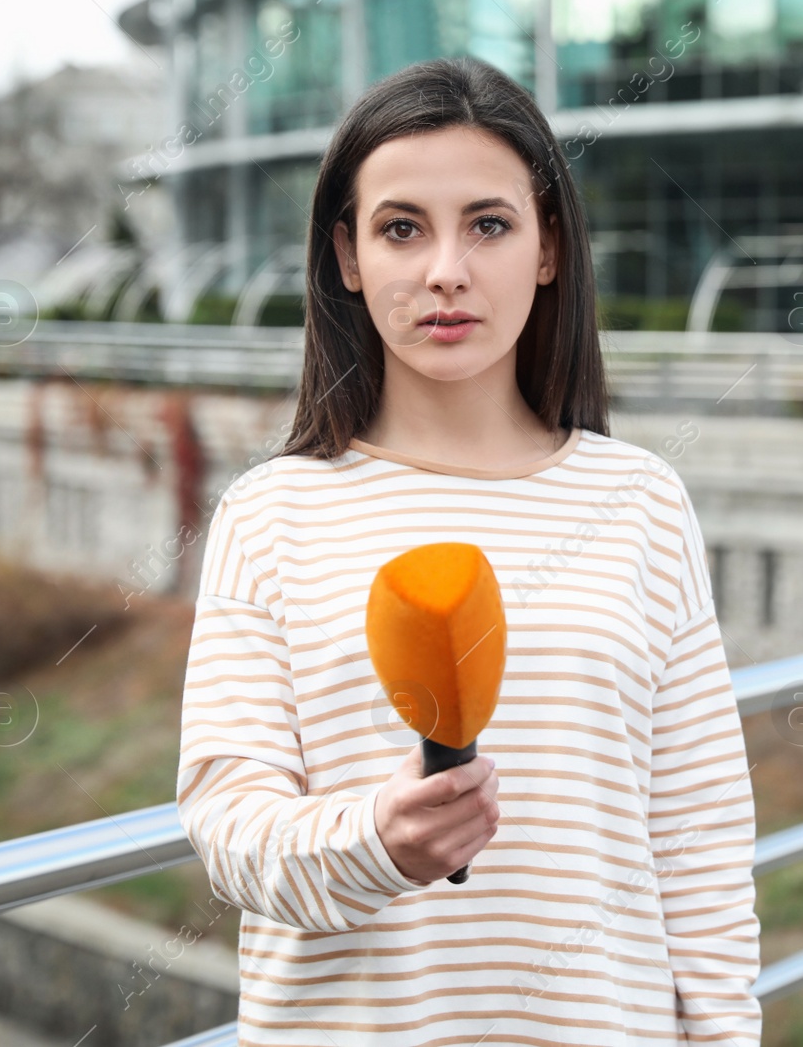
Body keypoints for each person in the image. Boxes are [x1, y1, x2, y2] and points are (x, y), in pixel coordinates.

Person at [177, 55, 760, 1047]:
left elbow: (698, 837)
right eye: (402, 227)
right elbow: (229, 826)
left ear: (546, 249)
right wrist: (377, 842)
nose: (446, 267)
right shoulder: (269, 513)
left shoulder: (641, 503)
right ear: (348, 255)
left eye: (487, 223)